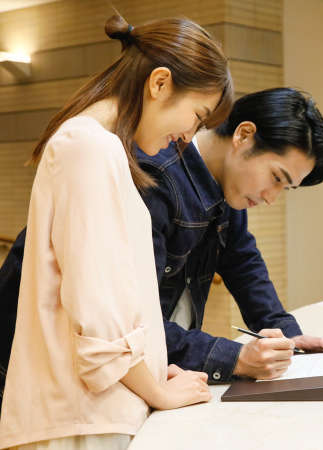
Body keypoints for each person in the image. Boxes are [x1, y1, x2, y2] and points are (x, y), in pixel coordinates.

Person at [0, 88, 323, 410]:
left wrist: (290, 338)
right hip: (29, 357)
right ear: (243, 135)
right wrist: (236, 358)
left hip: (103, 364)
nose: (271, 197)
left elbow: (244, 263)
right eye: (276, 178)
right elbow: (132, 321)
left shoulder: (227, 188)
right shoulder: (154, 175)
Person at [0, 14, 233, 450]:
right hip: (83, 421)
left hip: (94, 413)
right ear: (159, 83)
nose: (188, 136)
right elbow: (100, 323)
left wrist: (154, 371)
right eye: (197, 117)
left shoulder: (99, 147)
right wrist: (159, 391)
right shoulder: (88, 147)